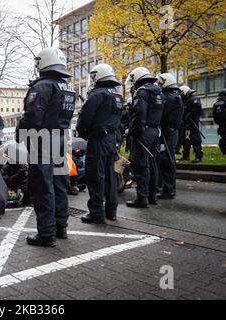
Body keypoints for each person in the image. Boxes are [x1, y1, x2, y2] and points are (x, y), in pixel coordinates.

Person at [16, 47, 75, 247]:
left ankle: (46, 234)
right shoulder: (67, 87)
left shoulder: (42, 86)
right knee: (59, 184)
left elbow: (32, 115)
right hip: (59, 138)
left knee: (42, 186)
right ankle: (61, 227)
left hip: (42, 140)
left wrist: (20, 134)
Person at [76, 64, 123, 224]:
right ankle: (112, 211)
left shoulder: (97, 94)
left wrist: (85, 134)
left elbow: (84, 119)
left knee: (95, 176)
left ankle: (96, 212)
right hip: (111, 140)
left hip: (98, 139)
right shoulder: (117, 96)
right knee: (110, 176)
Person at [125, 67, 164, 208]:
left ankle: (142, 197)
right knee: (152, 163)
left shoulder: (142, 92)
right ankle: (152, 195)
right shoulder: (158, 91)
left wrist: (133, 131)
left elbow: (139, 113)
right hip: (154, 130)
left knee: (141, 164)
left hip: (143, 131)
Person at [156, 73, 184, 200]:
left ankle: (168, 189)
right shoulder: (175, 96)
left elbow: (160, 114)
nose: (159, 85)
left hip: (168, 133)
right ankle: (167, 188)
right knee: (167, 159)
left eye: (161, 83)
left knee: (166, 160)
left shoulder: (169, 97)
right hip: (171, 132)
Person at [179, 86, 203, 163]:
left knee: (196, 140)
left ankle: (198, 156)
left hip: (193, 123)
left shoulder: (194, 99)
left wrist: (190, 114)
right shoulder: (184, 100)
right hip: (186, 123)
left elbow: (197, 108)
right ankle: (186, 156)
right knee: (186, 140)